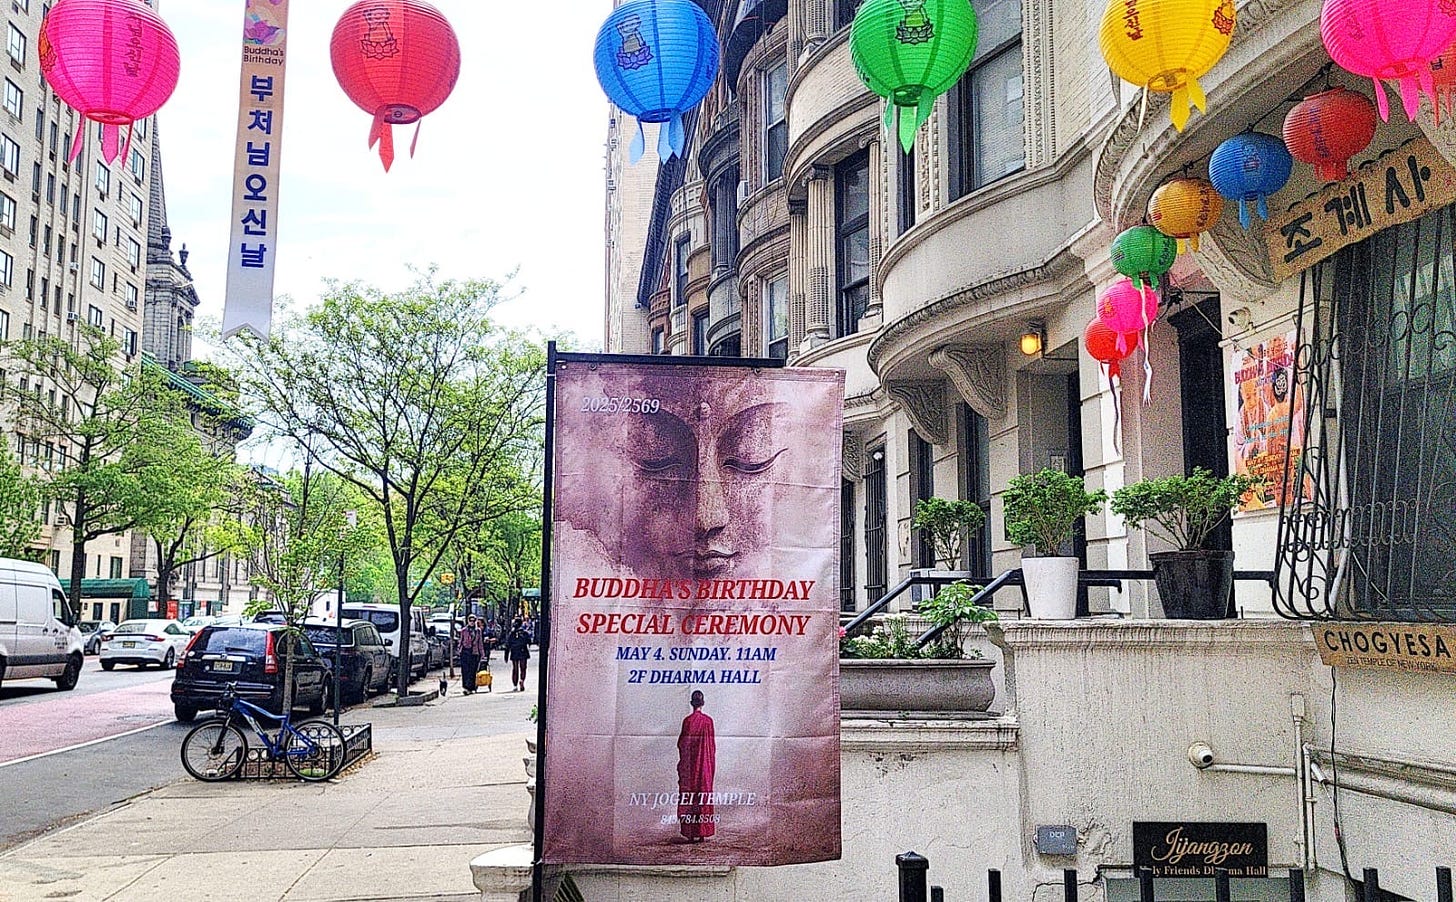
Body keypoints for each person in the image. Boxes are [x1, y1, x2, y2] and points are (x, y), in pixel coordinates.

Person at [675, 690, 716, 842]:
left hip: (690, 767)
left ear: (692, 704)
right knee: (703, 795)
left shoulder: (687, 721)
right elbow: (712, 747)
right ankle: (702, 833)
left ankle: (691, 833)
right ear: (702, 703)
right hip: (704, 766)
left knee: (690, 795)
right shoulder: (708, 721)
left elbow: (682, 744)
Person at [458, 615, 485, 695]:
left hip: (474, 652)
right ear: (468, 621)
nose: (472, 622)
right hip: (465, 652)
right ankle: (466, 687)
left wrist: (482, 654)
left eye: (473, 621)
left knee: (473, 670)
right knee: (465, 670)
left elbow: (480, 643)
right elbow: (461, 641)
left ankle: (471, 687)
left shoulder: (478, 631)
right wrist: (459, 651)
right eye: (470, 621)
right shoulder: (464, 630)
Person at [505, 617, 531, 692]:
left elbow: (508, 644)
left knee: (515, 668)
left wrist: (506, 655)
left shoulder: (512, 633)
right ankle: (522, 680)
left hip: (514, 651)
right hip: (523, 651)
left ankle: (515, 685)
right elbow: (529, 641)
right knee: (523, 668)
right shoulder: (524, 632)